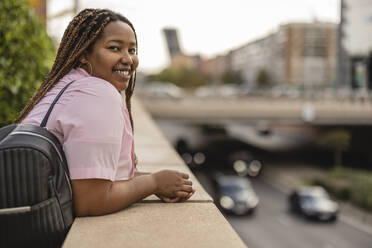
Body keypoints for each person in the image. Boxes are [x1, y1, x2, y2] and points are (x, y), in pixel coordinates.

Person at [16, 8, 195, 216]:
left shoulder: (67, 86)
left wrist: (157, 180)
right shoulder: (95, 93)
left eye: (132, 50)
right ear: (84, 54)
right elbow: (91, 201)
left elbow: (81, 176)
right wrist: (153, 182)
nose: (128, 59)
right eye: (115, 48)